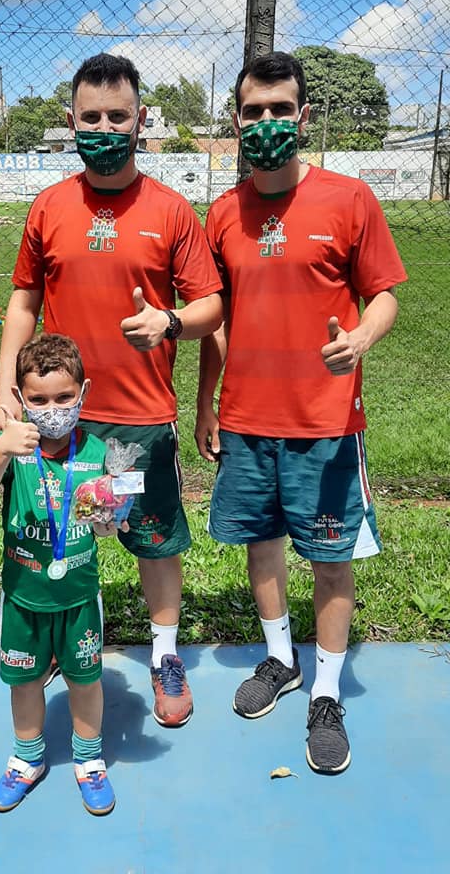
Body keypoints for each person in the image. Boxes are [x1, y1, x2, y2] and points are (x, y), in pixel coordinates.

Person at [0, 54, 223, 728]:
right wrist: (9, 384)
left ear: (140, 120)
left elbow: (211, 307)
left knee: (156, 545)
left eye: (117, 117)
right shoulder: (49, 206)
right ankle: (59, 641)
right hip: (60, 428)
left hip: (140, 423)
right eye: (90, 117)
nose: (104, 127)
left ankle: (163, 654)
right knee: (51, 541)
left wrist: (170, 321)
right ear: (69, 123)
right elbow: (23, 300)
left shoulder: (171, 211)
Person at [195, 51, 407, 774]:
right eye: (253, 112)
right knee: (262, 543)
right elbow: (215, 316)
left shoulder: (349, 200)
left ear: (304, 117)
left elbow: (384, 294)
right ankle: (280, 658)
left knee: (329, 557)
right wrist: (207, 403)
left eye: (281, 110)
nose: (267, 124)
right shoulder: (222, 213)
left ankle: (325, 693)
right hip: (248, 421)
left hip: (326, 424)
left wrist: (362, 338)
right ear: (235, 120)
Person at [0, 333, 120, 814]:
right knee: (24, 682)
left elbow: (106, 527)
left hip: (78, 597)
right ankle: (27, 758)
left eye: (63, 397)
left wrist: (109, 519)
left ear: (84, 393)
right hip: (23, 597)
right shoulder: (15, 448)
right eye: (38, 399)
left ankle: (90, 759)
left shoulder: (98, 450)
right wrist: (0, 448)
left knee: (85, 679)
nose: (52, 408)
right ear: (20, 398)